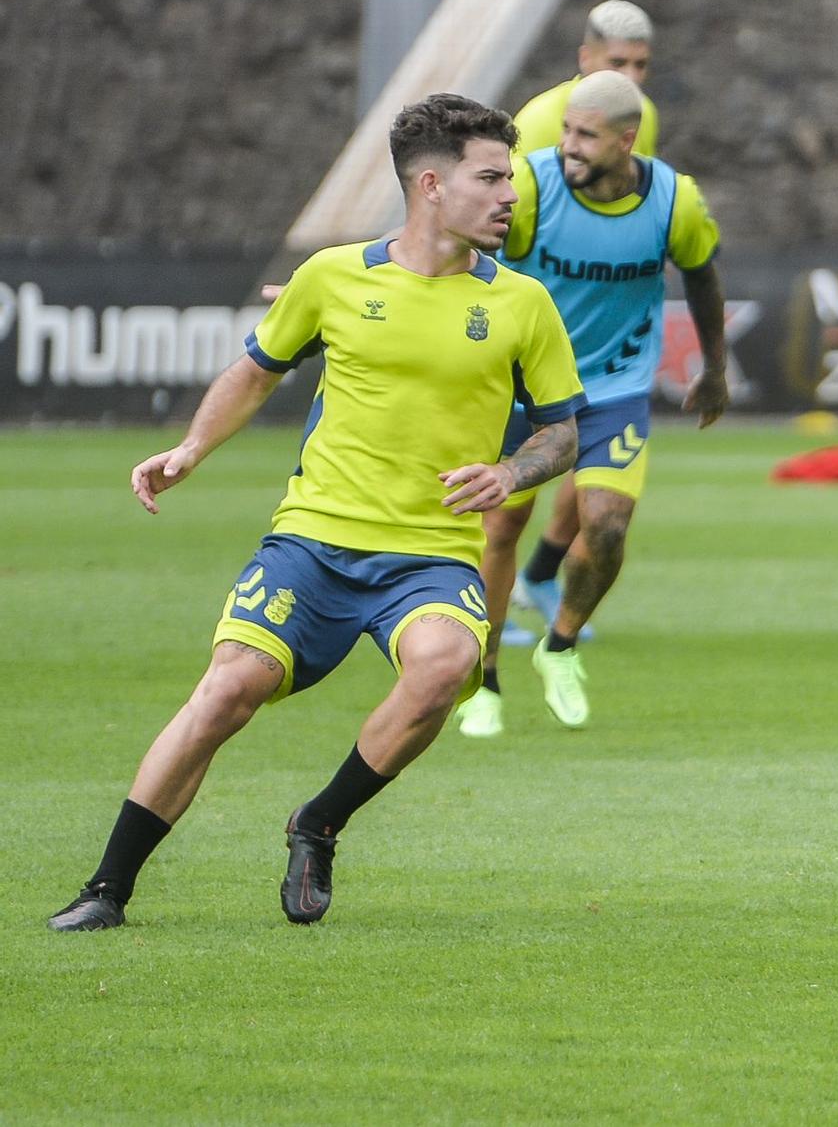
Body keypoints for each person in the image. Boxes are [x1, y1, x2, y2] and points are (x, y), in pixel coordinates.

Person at [47, 94, 583, 932]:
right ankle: (106, 890)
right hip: (313, 543)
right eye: (492, 177)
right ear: (432, 185)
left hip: (431, 556)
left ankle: (318, 823)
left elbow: (563, 430)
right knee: (227, 691)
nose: (510, 193)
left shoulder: (522, 304)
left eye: (509, 176)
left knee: (447, 666)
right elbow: (256, 370)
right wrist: (192, 449)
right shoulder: (331, 277)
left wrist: (515, 469)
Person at [459, 69, 729, 737]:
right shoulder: (529, 186)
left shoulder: (675, 201)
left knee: (606, 528)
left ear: (626, 139)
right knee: (499, 530)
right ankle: (483, 680)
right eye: (567, 132)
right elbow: (452, 250)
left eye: (587, 135)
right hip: (524, 388)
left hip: (613, 389)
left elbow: (701, 275)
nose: (570, 145)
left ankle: (560, 645)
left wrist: (716, 368)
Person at [504, 0, 660, 646]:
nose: (631, 75)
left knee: (592, 460)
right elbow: (498, 220)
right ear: (585, 59)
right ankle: (469, 602)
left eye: (641, 64)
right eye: (617, 62)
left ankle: (540, 576)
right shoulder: (540, 124)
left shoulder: (639, 119)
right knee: (504, 489)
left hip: (597, 331)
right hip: (533, 328)